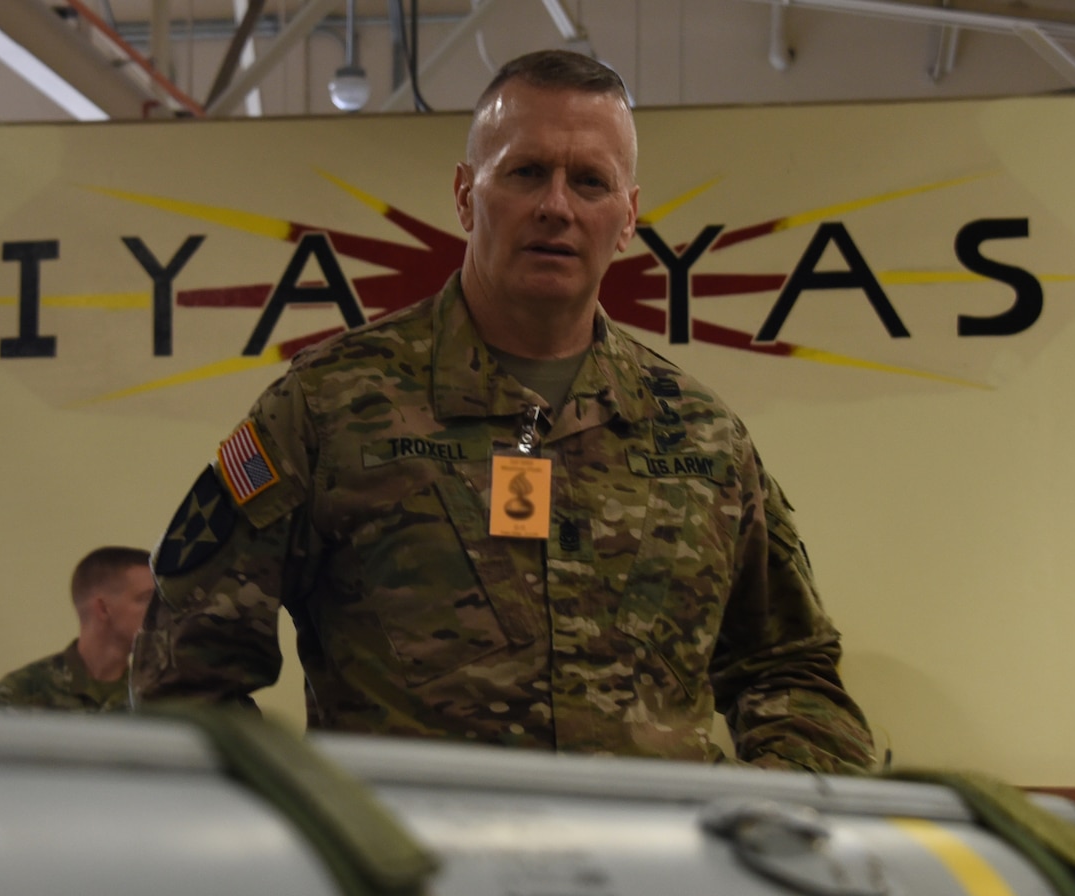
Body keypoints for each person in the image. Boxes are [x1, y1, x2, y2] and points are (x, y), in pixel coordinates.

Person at [131, 50, 873, 774]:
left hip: (655, 880)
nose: (556, 206)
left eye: (590, 182)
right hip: (418, 881)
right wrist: (311, 836)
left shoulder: (702, 436)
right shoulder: (331, 407)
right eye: (525, 172)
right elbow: (185, 671)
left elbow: (791, 670)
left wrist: (777, 833)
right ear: (465, 195)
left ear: (627, 218)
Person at [0, 546, 155, 712]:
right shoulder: (21, 694)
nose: (158, 612)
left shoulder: (153, 696)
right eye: (146, 599)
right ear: (103, 609)